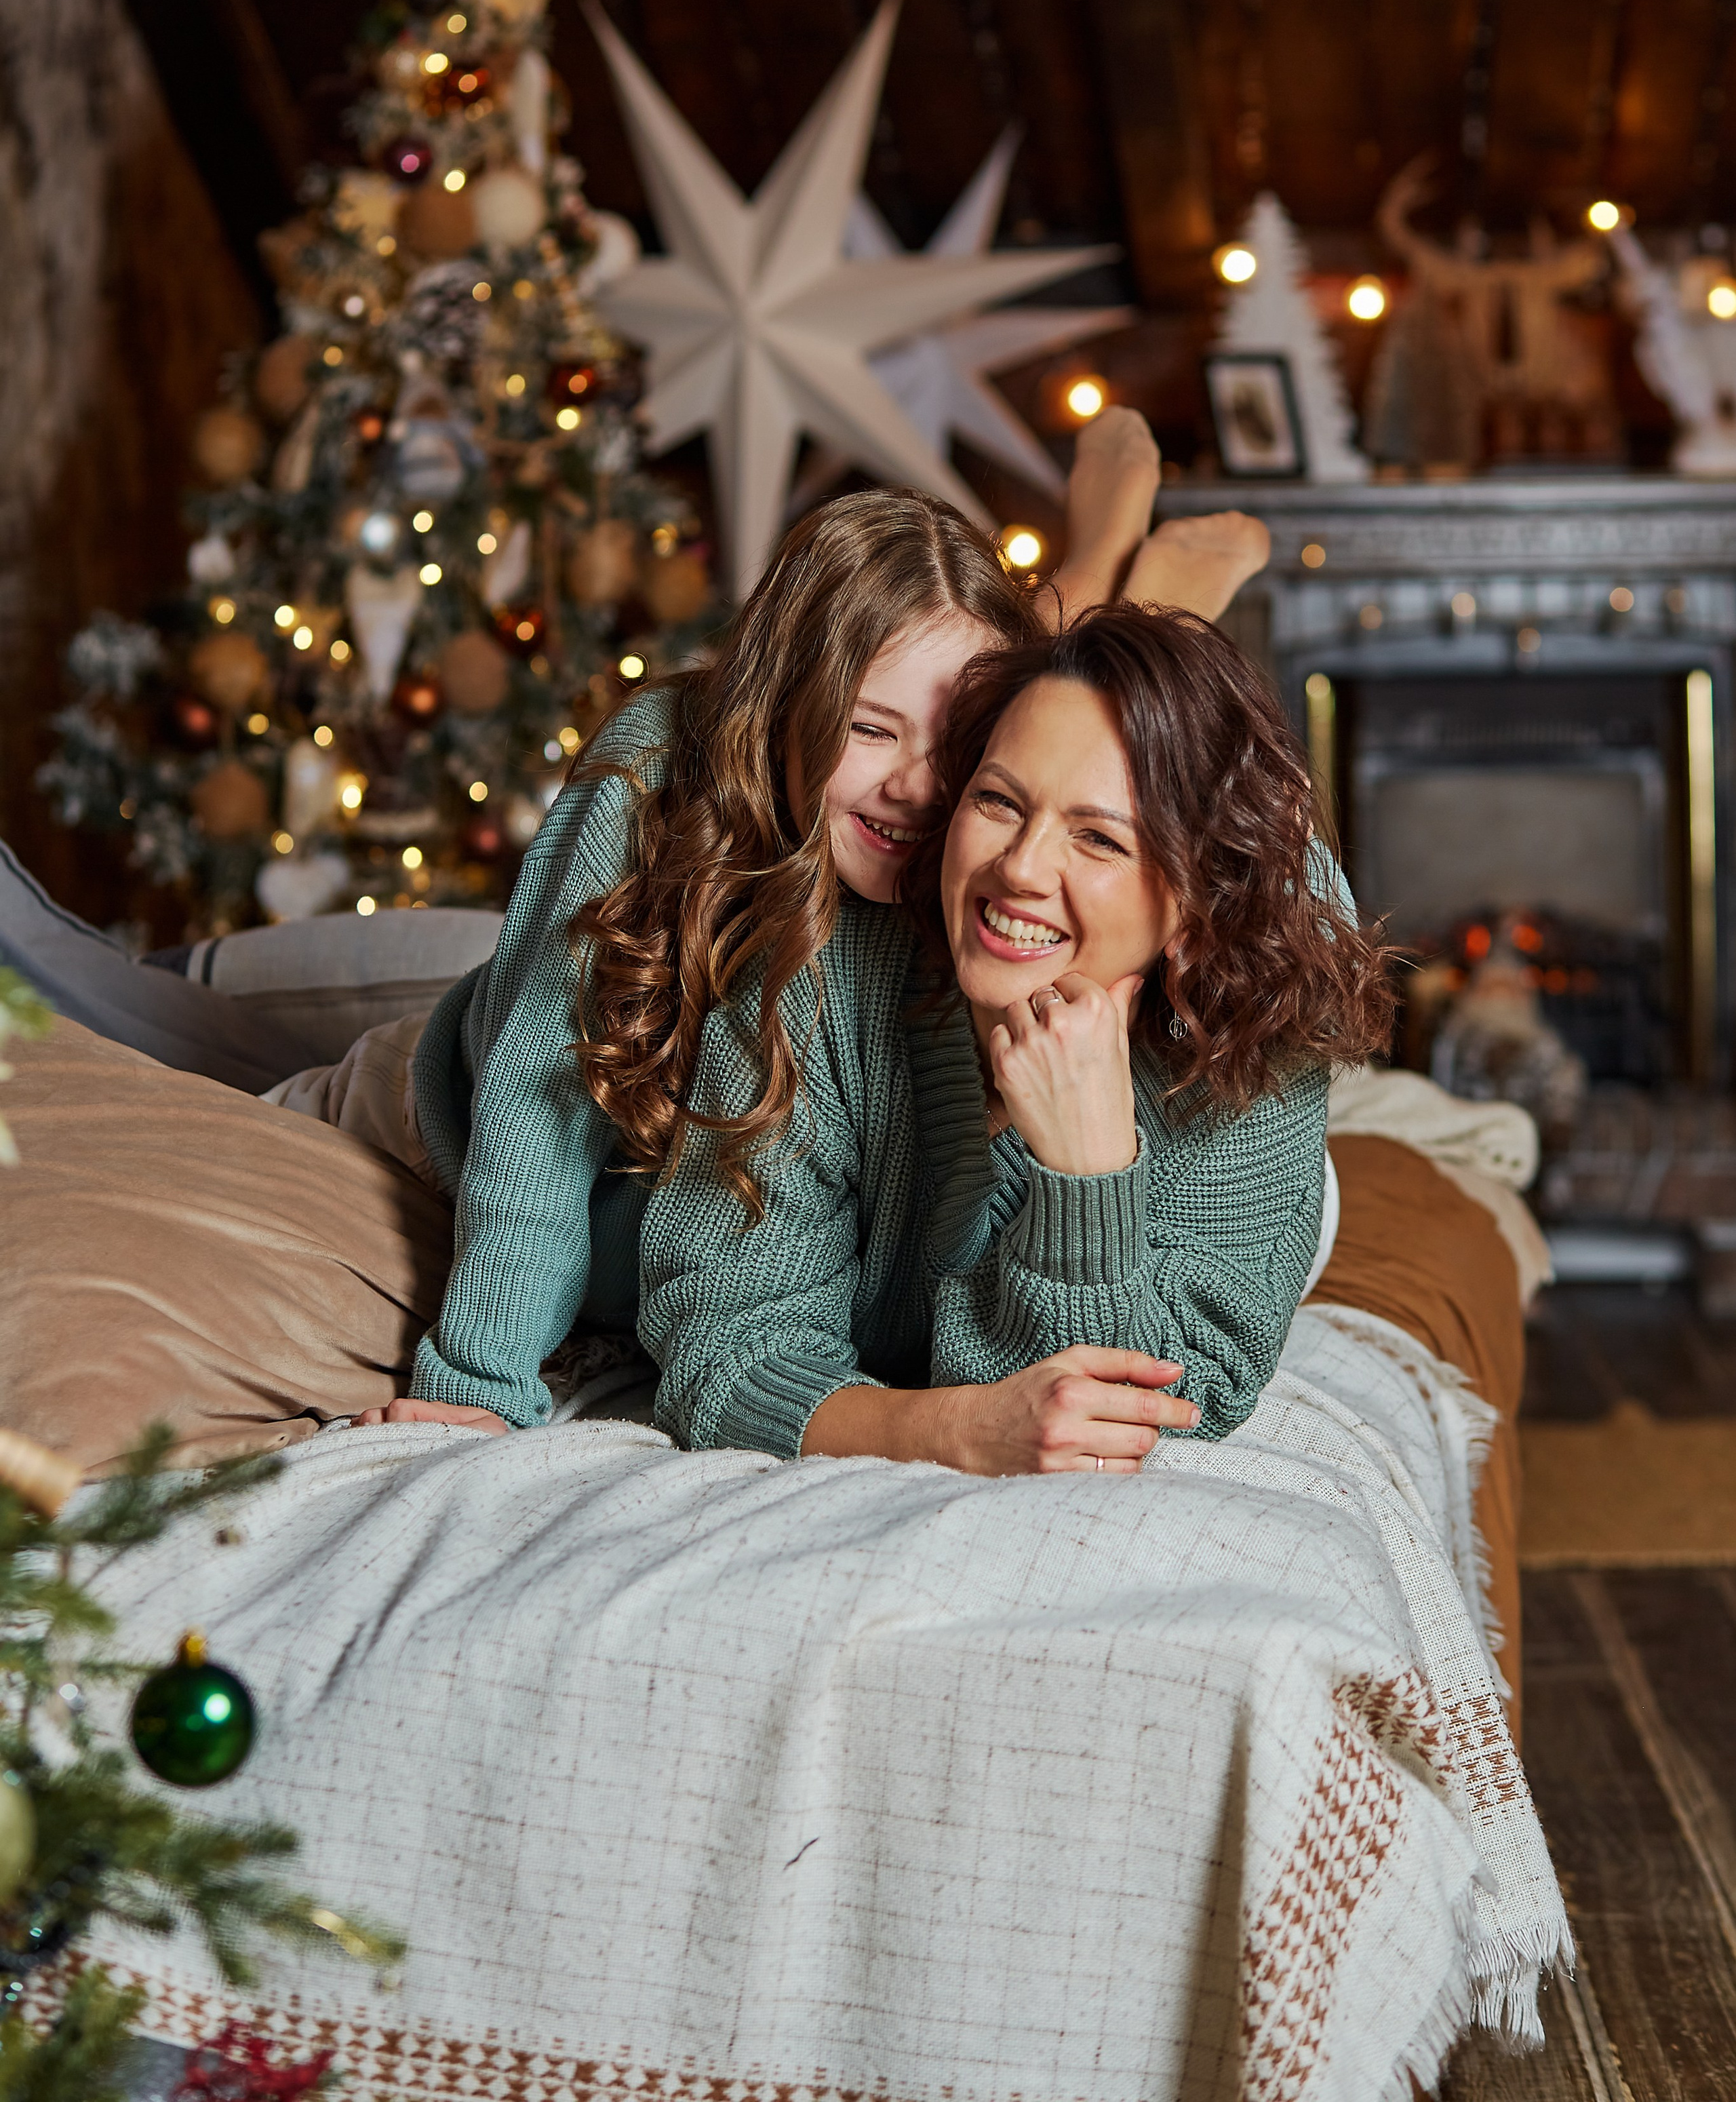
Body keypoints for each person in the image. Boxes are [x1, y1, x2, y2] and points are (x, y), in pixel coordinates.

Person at [343, 416, 1272, 1433]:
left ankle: (1115, 595)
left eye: (958, 743)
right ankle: (1121, 584)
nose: (919, 788)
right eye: (868, 729)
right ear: (785, 702)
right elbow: (537, 1108)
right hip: (489, 1110)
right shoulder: (657, 776)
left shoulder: (962, 844)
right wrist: (478, 1382)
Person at [631, 606, 1393, 1471]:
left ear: (1193, 902)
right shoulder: (818, 974)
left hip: (1202, 1184)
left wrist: (1088, 1172)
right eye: (997, 801)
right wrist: (960, 1429)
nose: (1021, 870)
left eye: (1099, 838)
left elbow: (1147, 1405)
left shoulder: (1261, 1029)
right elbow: (725, 1353)